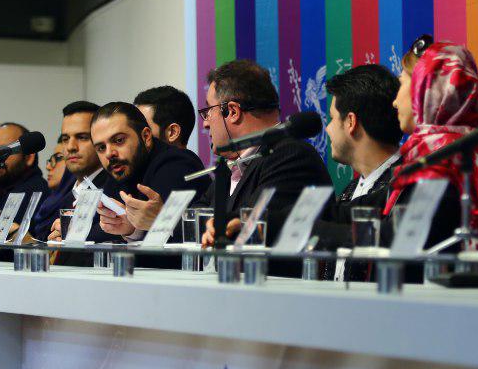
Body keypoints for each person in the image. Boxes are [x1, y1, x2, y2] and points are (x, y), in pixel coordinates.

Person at [119, 61, 329, 247]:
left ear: (233, 112)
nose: (205, 123)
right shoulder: (230, 167)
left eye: (208, 111)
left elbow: (245, 228)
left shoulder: (290, 156)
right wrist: (144, 223)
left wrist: (162, 220)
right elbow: (199, 216)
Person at [385, 42, 478, 251]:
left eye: (401, 84)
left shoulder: (443, 162)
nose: (394, 102)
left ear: (425, 90)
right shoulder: (475, 151)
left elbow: (403, 240)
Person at [310, 64, 404, 280]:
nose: (328, 129)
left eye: (332, 118)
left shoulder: (403, 189)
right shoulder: (349, 190)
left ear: (350, 122)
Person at [90, 101, 208, 241]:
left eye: (119, 140)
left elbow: (174, 238)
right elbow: (96, 230)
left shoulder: (176, 164)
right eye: (101, 148)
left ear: (146, 137)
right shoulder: (119, 169)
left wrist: (133, 228)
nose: (109, 153)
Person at [29, 101, 105, 242]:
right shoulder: (67, 196)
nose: (70, 147)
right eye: (65, 139)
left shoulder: (115, 190)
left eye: (82, 137)